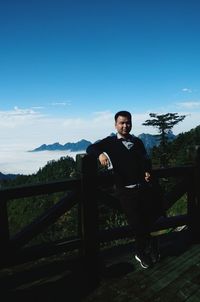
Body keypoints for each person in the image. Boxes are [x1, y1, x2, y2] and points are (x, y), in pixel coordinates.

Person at [86, 110, 163, 269]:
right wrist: (100, 154)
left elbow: (145, 160)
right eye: (122, 123)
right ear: (115, 125)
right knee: (137, 223)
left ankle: (147, 247)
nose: (125, 125)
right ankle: (141, 252)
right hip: (125, 191)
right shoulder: (109, 142)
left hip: (143, 189)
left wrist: (148, 171)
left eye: (128, 122)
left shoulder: (137, 142)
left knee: (146, 220)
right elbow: (90, 148)